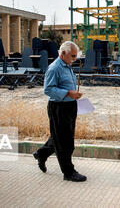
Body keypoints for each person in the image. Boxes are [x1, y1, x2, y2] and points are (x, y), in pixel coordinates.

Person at [33, 41, 86, 182]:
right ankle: (68, 172)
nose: (74, 59)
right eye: (72, 56)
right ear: (63, 53)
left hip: (70, 106)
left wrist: (73, 95)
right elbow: (48, 89)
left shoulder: (67, 66)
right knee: (65, 142)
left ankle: (41, 153)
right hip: (59, 107)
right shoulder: (54, 68)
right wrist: (68, 93)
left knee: (60, 137)